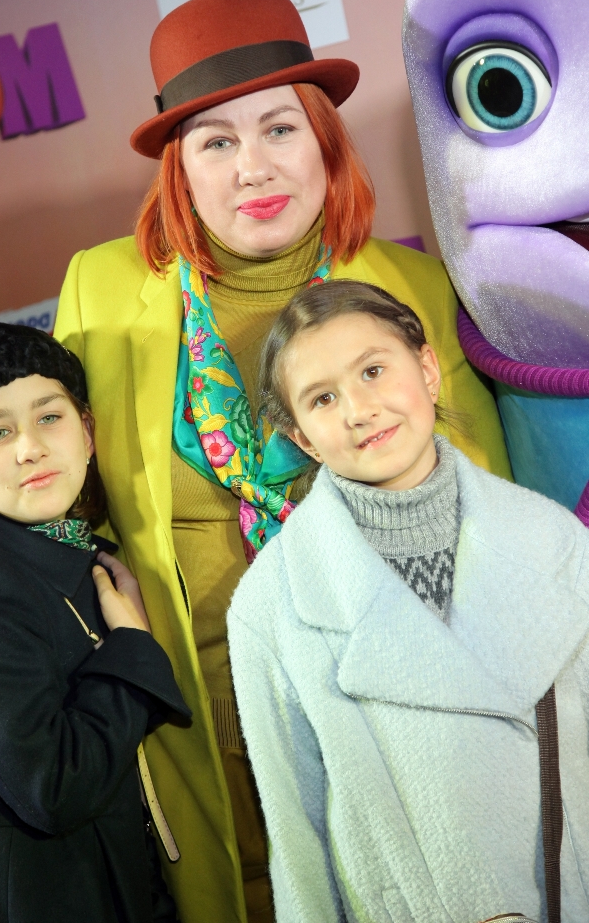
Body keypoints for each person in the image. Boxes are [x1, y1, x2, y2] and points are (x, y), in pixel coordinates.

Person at [54, 0, 512, 923]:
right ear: (180, 170)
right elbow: (61, 500)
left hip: (398, 717)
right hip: (203, 723)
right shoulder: (99, 291)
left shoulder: (418, 287)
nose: (253, 168)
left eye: (279, 129)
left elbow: (488, 517)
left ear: (324, 143)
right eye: (216, 143)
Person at [227, 279, 589, 923]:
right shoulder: (270, 606)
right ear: (302, 436)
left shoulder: (553, 537)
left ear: (427, 369)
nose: (359, 409)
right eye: (322, 398)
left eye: (373, 371)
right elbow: (297, 839)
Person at [0, 321, 190, 923]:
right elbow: (53, 788)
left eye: (49, 417)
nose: (29, 447)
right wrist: (132, 645)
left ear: (87, 433)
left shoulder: (81, 552)